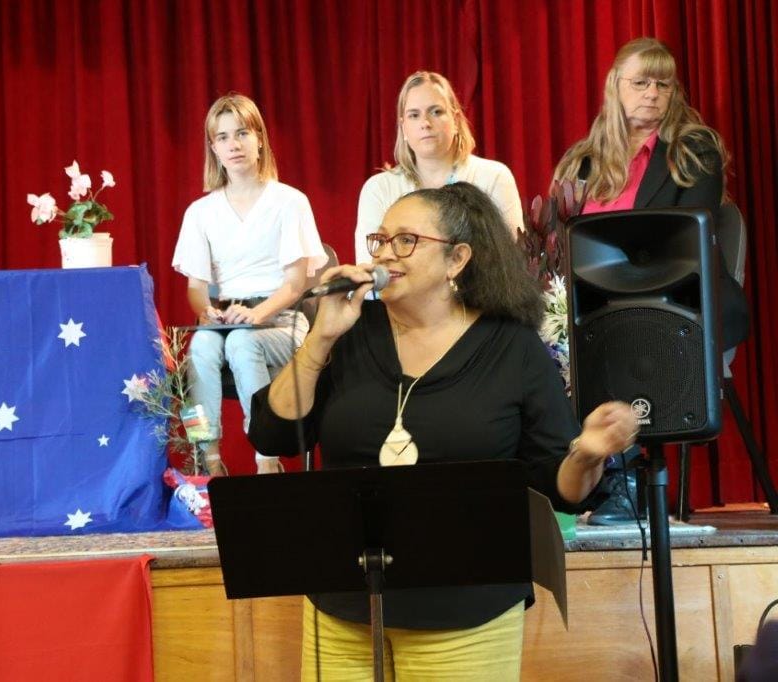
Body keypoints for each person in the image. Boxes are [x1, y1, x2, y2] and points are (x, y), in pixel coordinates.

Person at [249, 183, 636, 680]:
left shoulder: (512, 349)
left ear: (457, 259)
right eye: (380, 241)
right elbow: (273, 435)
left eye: (406, 241)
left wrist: (586, 455)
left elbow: (555, 488)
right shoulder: (349, 333)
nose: (386, 254)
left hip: (464, 609)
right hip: (343, 606)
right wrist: (321, 338)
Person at [554, 36, 750, 525]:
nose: (652, 94)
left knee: (624, 337)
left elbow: (680, 241)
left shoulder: (691, 148)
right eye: (640, 83)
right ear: (615, 88)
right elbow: (564, 241)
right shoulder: (584, 160)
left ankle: (626, 481)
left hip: (681, 296)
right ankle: (576, 479)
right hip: (595, 302)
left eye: (663, 84)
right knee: (547, 339)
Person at [172, 93, 327, 476]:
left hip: (281, 320)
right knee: (201, 347)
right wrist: (206, 312)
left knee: (243, 342)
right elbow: (196, 286)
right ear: (214, 148)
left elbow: (295, 285)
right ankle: (207, 459)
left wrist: (256, 315)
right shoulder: (200, 212)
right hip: (227, 317)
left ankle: (266, 459)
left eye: (242, 133)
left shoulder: (289, 202)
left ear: (259, 139)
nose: (234, 144)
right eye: (223, 137)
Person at [354, 71, 523, 265]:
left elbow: (511, 262)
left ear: (456, 120)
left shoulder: (494, 177)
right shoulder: (378, 189)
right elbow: (370, 271)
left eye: (436, 112)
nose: (425, 123)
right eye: (414, 115)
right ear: (403, 127)